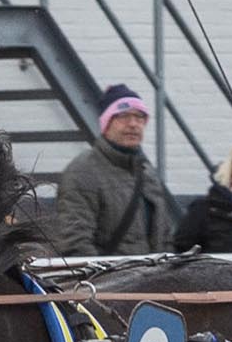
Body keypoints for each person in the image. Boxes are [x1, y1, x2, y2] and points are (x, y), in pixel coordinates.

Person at [53, 84, 174, 258]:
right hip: (111, 275)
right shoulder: (82, 172)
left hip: (153, 274)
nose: (133, 124)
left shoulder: (147, 172)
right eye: (123, 116)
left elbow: (165, 238)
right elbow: (75, 244)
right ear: (106, 124)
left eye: (139, 117)